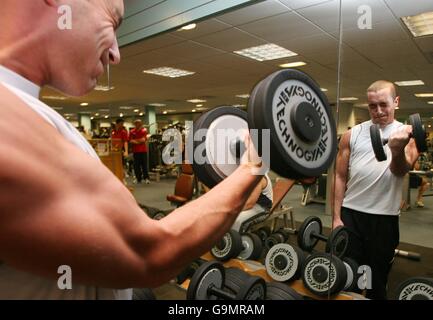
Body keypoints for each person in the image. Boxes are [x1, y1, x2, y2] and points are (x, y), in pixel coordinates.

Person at [0, 0, 265, 299]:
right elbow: (152, 253)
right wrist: (253, 167)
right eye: (113, 22)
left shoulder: (26, 110)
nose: (115, 53)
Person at [333, 80, 419, 300]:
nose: (378, 111)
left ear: (396, 102)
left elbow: (400, 171)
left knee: (375, 279)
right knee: (348, 274)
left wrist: (396, 150)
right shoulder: (351, 135)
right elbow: (340, 176)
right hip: (351, 214)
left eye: (384, 104)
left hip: (384, 219)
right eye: (373, 106)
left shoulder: (408, 134)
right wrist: (336, 217)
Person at [129, 119, 150, 184]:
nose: (137, 124)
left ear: (141, 124)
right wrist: (138, 141)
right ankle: (138, 179)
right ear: (135, 124)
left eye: (139, 123)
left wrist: (136, 141)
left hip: (143, 150)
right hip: (135, 151)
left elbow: (143, 140)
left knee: (144, 165)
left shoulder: (144, 130)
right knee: (136, 166)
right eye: (136, 123)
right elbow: (131, 140)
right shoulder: (132, 131)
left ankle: (146, 178)